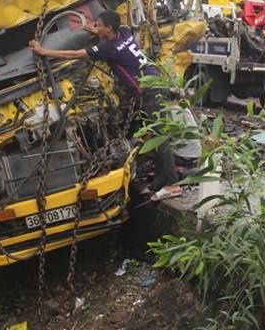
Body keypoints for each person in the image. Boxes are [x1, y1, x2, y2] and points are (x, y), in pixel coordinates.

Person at [29, 10, 182, 201]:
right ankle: (159, 181)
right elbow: (108, 34)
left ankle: (172, 185)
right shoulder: (124, 32)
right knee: (152, 134)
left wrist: (45, 51)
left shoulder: (108, 47)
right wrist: (94, 30)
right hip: (157, 84)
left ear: (109, 28)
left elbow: (74, 54)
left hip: (150, 93)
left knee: (160, 138)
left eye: (100, 25)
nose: (97, 27)